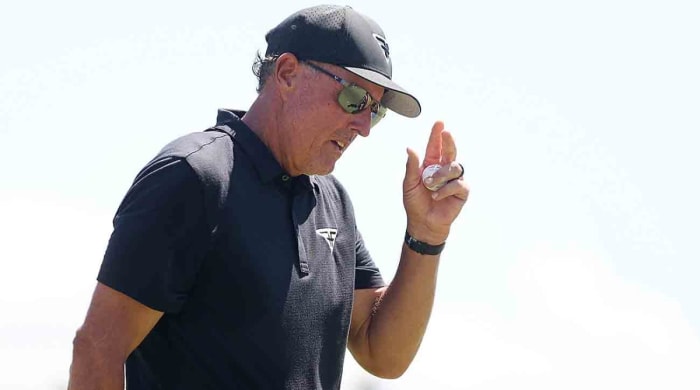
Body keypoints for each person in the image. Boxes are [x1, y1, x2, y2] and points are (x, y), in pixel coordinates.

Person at [68, 4, 469, 389]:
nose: (363, 126)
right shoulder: (193, 176)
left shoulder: (333, 202)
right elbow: (97, 352)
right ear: (288, 73)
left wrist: (426, 235)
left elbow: (382, 354)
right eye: (354, 99)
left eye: (375, 112)